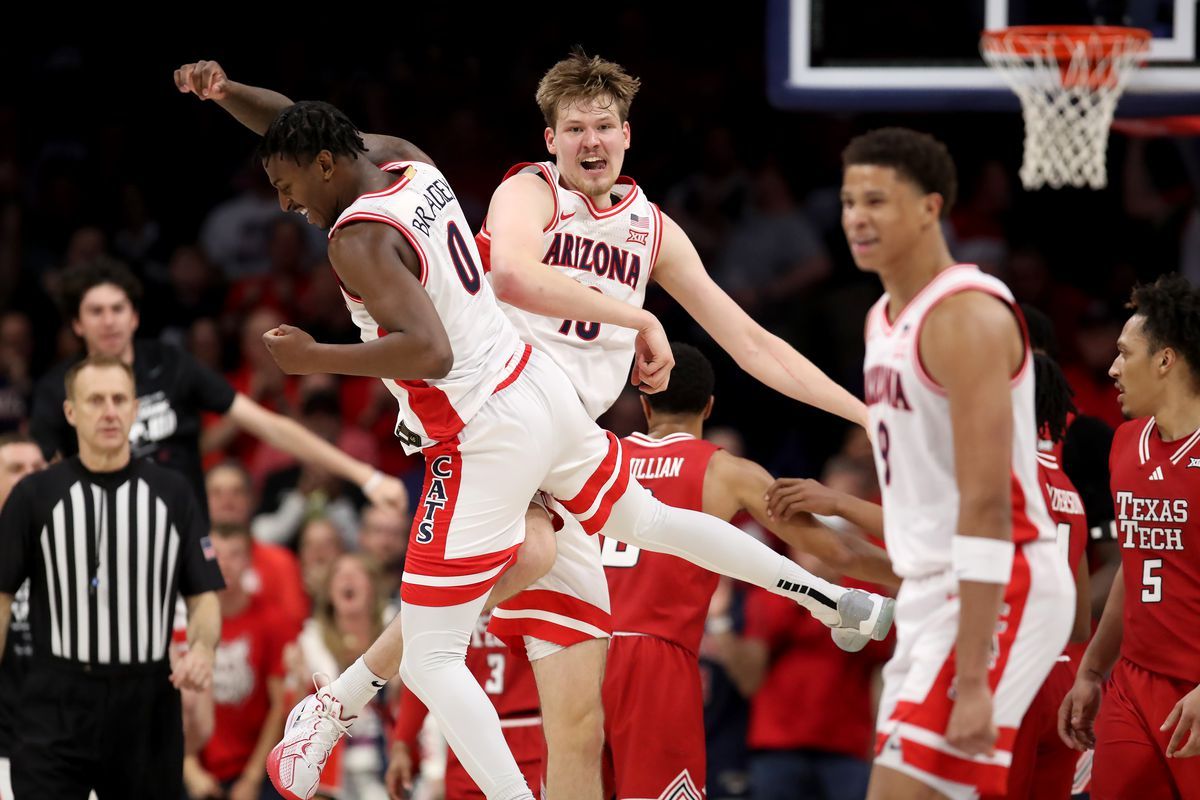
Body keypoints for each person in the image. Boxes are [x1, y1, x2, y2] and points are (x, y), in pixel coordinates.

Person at [175, 55, 880, 799]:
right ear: (550, 137)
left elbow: (440, 341)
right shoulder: (480, 179)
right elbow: (501, 262)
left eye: (603, 126)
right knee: (616, 544)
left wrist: (315, 355)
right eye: (575, 128)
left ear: (627, 135)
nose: (590, 141)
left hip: (489, 429)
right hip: (538, 397)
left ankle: (337, 707)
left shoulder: (371, 236)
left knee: (452, 651)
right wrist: (227, 96)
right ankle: (833, 600)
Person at [796, 127, 1075, 800]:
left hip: (995, 588)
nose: (857, 216)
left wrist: (975, 675)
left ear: (930, 207)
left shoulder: (966, 317)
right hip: (927, 592)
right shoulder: (880, 320)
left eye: (877, 200)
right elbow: (925, 497)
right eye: (847, 201)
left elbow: (986, 504)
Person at [599, 343, 897, 800]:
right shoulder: (727, 473)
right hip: (656, 657)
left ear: (643, 403)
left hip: (580, 650)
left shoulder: (597, 458)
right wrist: (918, 573)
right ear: (709, 406)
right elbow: (837, 552)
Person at [0, 355, 225, 799]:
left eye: (120, 399)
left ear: (136, 408)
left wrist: (202, 649)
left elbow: (204, 596)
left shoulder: (172, 492)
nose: (109, 411)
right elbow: (2, 597)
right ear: (71, 411)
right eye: (96, 400)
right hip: (54, 699)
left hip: (147, 702)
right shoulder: (34, 495)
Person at [29, 257, 408, 519]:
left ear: (135, 316)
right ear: (77, 324)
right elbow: (43, 474)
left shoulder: (171, 363)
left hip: (185, 536)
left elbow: (270, 426)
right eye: (96, 311)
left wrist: (366, 476)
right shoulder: (55, 388)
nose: (109, 321)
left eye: (118, 309)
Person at [1059, 274, 1200, 800]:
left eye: (1125, 353)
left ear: (1165, 360)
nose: (1112, 368)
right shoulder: (1124, 443)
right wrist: (1093, 670)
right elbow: (1136, 567)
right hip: (1132, 687)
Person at [0, 434, 47, 800]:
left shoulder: (83, 546)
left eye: (38, 468)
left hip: (76, 746)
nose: (30, 478)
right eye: (16, 469)